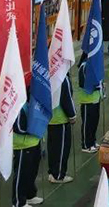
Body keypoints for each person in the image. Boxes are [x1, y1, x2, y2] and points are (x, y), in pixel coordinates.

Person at [11, 76, 43, 207]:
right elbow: (18, 127)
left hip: (34, 143)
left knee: (32, 172)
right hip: (22, 146)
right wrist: (33, 129)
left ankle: (30, 195)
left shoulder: (33, 102)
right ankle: (18, 201)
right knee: (21, 174)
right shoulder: (19, 104)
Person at [47, 67, 77, 184]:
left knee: (52, 148)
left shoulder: (49, 75)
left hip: (50, 119)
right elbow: (67, 99)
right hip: (61, 119)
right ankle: (59, 175)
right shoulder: (62, 79)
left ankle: (52, 172)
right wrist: (72, 115)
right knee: (62, 149)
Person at [77, 50, 102, 153]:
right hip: (87, 101)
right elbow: (83, 83)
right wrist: (96, 86)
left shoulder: (94, 66)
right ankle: (86, 144)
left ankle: (92, 141)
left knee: (94, 122)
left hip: (95, 99)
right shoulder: (84, 66)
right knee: (87, 124)